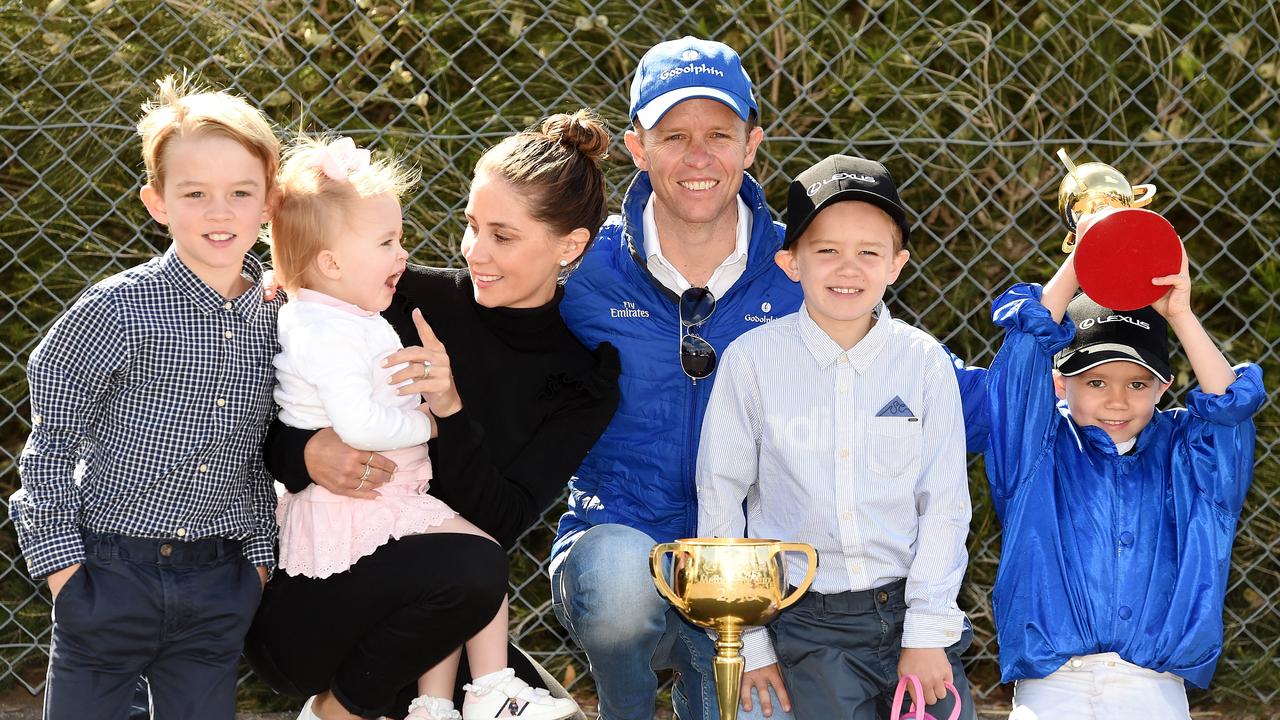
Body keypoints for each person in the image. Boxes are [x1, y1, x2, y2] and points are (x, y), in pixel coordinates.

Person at [551, 37, 990, 720]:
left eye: (719, 134)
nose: (699, 157)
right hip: (629, 538)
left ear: (752, 143)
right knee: (613, 588)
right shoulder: (587, 268)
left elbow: (920, 389)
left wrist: (1062, 383)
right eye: (674, 136)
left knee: (757, 709)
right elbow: (493, 312)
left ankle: (714, 676)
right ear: (637, 147)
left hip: (763, 586)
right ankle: (623, 708)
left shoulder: (807, 265)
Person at [247, 110, 620, 720]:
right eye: (472, 226)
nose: (475, 252)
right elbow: (255, 409)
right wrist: (305, 453)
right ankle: (336, 711)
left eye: (503, 235)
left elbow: (499, 521)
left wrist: (449, 409)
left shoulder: (581, 380)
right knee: (468, 574)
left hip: (440, 615)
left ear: (570, 246)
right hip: (316, 598)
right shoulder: (392, 296)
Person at [9, 75, 281, 719]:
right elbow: (50, 447)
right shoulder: (115, 310)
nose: (220, 212)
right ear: (157, 202)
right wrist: (65, 578)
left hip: (220, 578)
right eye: (195, 194)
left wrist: (259, 566)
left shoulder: (284, 313)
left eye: (240, 193)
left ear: (268, 204)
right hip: (108, 572)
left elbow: (273, 449)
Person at [696, 154, 975, 720]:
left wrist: (926, 635)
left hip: (908, 612)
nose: (848, 268)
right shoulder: (752, 363)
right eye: (826, 251)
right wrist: (751, 647)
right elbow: (721, 503)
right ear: (790, 261)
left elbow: (944, 505)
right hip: (805, 620)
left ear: (897, 264)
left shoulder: (923, 363)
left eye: (869, 252)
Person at [984, 217, 1265, 718]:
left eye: (1137, 384)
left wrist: (1180, 314)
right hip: (1052, 684)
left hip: (1151, 686)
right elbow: (1021, 357)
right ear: (1058, 384)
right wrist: (1082, 260)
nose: (1117, 400)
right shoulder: (1037, 449)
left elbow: (1230, 409)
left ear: (1164, 387)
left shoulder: (1187, 456)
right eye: (1095, 382)